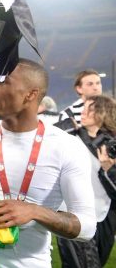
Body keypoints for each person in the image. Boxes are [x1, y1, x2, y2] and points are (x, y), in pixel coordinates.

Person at [0, 59, 97, 267]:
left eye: (3, 81)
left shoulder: (67, 146)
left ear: (30, 94)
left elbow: (87, 227)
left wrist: (35, 212)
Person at [56, 95, 116, 267]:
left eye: (89, 109)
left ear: (103, 113)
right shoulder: (69, 135)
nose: (83, 112)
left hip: (104, 215)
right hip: (73, 214)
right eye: (83, 108)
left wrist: (108, 169)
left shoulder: (111, 145)